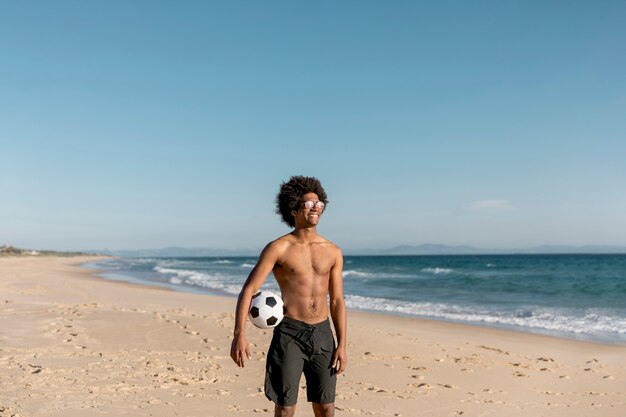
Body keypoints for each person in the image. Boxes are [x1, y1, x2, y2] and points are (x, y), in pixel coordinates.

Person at [230, 175, 347, 417]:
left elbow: (336, 301)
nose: (315, 208)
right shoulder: (278, 248)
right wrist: (239, 334)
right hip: (290, 334)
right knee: (285, 408)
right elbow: (249, 289)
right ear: (293, 209)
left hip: (323, 334)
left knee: (326, 407)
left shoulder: (333, 251)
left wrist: (342, 344)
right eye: (308, 204)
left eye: (319, 205)